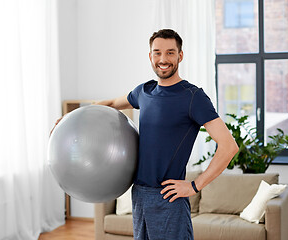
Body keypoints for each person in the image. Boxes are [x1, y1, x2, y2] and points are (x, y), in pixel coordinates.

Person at [53, 29, 239, 240]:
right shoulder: (144, 92)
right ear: (150, 56)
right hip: (139, 194)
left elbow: (228, 146)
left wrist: (195, 186)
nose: (163, 59)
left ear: (180, 55)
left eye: (170, 52)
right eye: (157, 52)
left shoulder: (193, 97)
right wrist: (69, 120)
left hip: (168, 197)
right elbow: (111, 104)